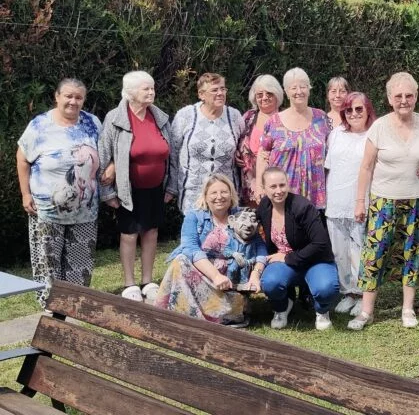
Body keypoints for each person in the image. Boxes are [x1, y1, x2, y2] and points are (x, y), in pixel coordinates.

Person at [349, 72, 419, 331]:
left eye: (409, 95)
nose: (404, 100)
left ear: (416, 97)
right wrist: (359, 202)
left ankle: (407, 308)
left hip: (418, 201)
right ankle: (366, 312)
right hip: (383, 201)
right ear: (389, 98)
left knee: (413, 253)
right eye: (398, 96)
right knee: (374, 254)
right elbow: (366, 167)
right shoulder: (379, 127)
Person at [16, 78, 102, 308]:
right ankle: (50, 311)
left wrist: (110, 167)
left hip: (85, 212)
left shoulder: (93, 123)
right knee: (47, 264)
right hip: (46, 213)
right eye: (68, 96)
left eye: (78, 97)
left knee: (79, 263)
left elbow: (105, 153)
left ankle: (74, 309)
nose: (73, 101)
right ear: (57, 97)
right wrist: (25, 194)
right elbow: (22, 158)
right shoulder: (39, 125)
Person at [98, 71, 172, 303]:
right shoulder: (115, 118)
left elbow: (173, 155)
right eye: (145, 89)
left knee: (151, 232)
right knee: (129, 234)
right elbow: (103, 155)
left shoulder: (160, 118)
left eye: (152, 88)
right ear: (130, 92)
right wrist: (107, 192)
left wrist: (172, 187)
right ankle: (130, 283)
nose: (151, 92)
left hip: (155, 189)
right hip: (127, 190)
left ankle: (148, 281)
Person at [155, 174, 266, 326]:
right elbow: (190, 249)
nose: (219, 197)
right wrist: (215, 276)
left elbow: (260, 246)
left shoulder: (242, 215)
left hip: (233, 279)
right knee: (180, 261)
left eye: (224, 192)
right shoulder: (194, 216)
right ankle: (185, 315)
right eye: (213, 193)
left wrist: (255, 274)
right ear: (205, 197)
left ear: (231, 194)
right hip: (205, 273)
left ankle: (228, 311)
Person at [257, 167, 340, 331]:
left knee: (327, 288)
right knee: (270, 282)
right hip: (285, 263)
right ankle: (282, 307)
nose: (279, 191)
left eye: (282, 185)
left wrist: (287, 258)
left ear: (288, 184)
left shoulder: (302, 207)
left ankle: (322, 310)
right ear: (264, 188)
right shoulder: (264, 206)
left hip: (315, 260)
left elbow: (320, 243)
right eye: (273, 187)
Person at [325, 92, 376, 318]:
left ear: (367, 111)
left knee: (359, 252)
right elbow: (329, 167)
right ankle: (347, 293)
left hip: (360, 202)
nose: (354, 114)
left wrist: (364, 202)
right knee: (340, 252)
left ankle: (361, 293)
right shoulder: (335, 134)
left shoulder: (374, 135)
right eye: (349, 110)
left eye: (359, 109)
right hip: (335, 202)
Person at [254, 68, 332, 211]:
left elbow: (331, 153)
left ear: (309, 89)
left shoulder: (321, 118)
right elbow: (263, 154)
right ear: (286, 91)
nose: (299, 91)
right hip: (282, 196)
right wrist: (260, 186)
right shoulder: (274, 122)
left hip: (314, 198)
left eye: (303, 86)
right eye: (293, 87)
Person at [168, 73, 245, 214]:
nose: (220, 93)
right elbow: (173, 153)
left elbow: (243, 145)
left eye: (223, 89)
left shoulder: (234, 116)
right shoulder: (185, 116)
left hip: (225, 194)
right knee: (196, 233)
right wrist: (171, 187)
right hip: (193, 192)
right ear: (201, 94)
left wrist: (241, 153)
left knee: (225, 233)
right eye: (215, 90)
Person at [236, 74, 284, 206]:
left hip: (276, 188)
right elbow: (237, 139)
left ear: (277, 95)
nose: (264, 97)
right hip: (248, 189)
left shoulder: (285, 119)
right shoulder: (248, 117)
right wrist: (235, 153)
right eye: (259, 94)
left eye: (269, 93)